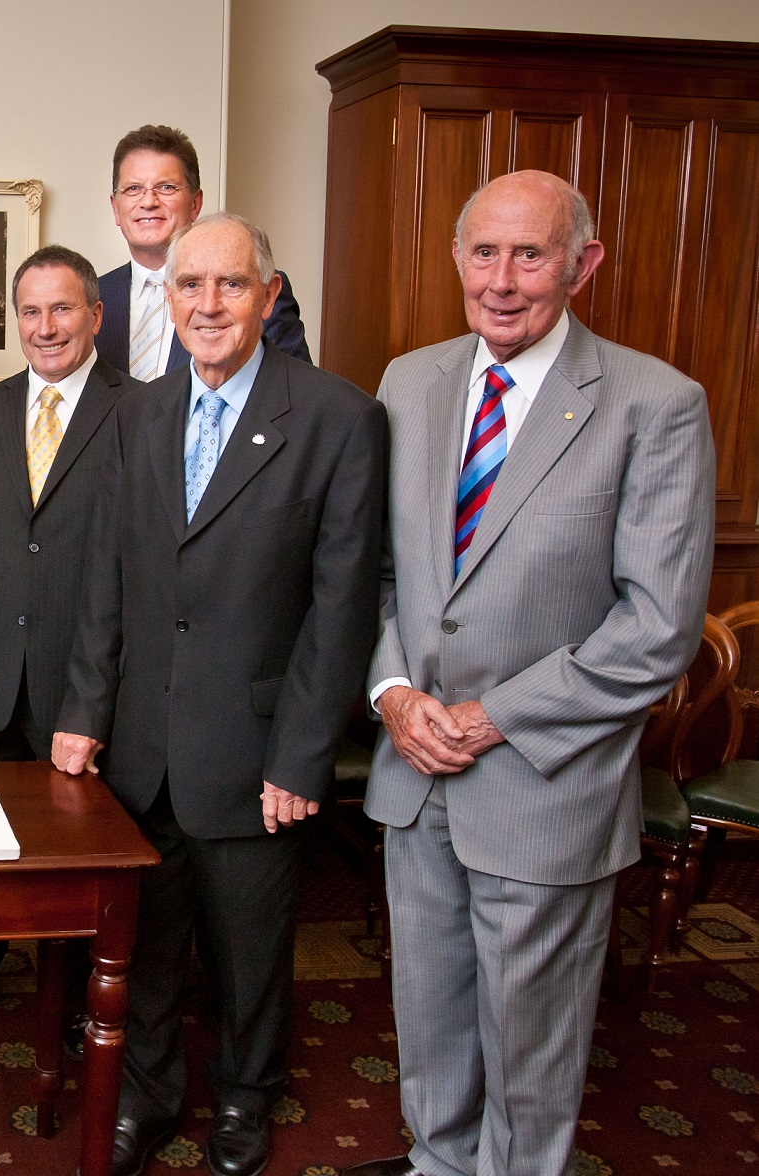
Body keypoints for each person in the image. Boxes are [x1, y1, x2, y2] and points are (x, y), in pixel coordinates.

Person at [342, 171, 717, 1176]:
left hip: (543, 785)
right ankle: (438, 1166)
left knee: (531, 1052)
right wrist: (393, 695)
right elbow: (371, 575)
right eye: (483, 252)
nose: (502, 280)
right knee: (429, 1018)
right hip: (415, 775)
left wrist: (490, 718)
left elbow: (655, 627)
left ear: (583, 264)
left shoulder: (656, 404)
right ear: (457, 259)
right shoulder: (409, 383)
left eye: (531, 254)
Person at [54, 213, 387, 1176]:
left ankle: (248, 1097)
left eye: (231, 286)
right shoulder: (138, 411)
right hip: (141, 742)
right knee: (149, 949)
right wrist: (83, 711)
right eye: (190, 286)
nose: (208, 305)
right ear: (166, 299)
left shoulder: (337, 418)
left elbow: (341, 607)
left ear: (268, 297)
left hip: (254, 752)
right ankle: (149, 1094)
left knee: (249, 956)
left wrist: (301, 753)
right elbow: (107, 579)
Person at [0, 245, 138, 1046]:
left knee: (75, 847)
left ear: (96, 316)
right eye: (31, 312)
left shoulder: (137, 409)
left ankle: (74, 999)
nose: (47, 328)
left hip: (80, 675)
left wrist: (105, 687)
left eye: (63, 309)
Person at [94, 124, 309, 381]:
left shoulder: (254, 289)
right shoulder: (92, 298)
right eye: (133, 189)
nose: (149, 201)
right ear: (116, 208)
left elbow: (295, 398)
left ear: (195, 203)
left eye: (166, 188)